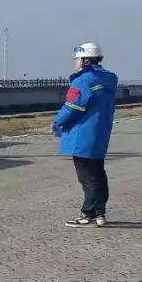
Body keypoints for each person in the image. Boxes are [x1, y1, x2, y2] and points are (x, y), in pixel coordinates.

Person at [52, 42, 117, 227]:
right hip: (100, 133)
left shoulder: (83, 81)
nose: (75, 63)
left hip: (82, 135)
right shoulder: (107, 80)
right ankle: (100, 213)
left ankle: (88, 214)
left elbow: (72, 107)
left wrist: (57, 122)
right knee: (98, 174)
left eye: (77, 59)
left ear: (85, 60)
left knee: (87, 177)